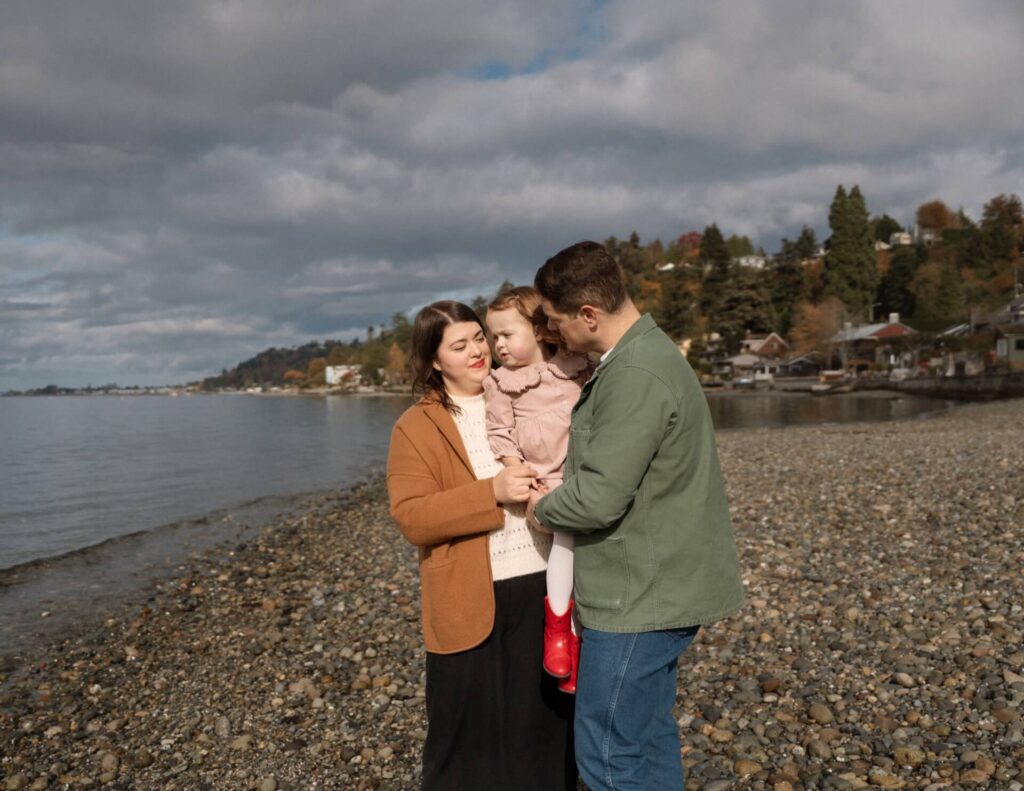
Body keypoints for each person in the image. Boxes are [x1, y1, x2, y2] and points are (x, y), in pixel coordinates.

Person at [531, 241, 745, 791]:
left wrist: (541, 509)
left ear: (588, 315)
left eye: (555, 322)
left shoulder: (634, 375)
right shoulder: (648, 356)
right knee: (647, 734)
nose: (553, 334)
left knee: (608, 753)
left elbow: (599, 497)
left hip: (640, 596)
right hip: (662, 584)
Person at [387, 300, 576, 791]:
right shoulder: (415, 426)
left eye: (479, 337)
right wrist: (490, 493)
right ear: (433, 360)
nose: (478, 351)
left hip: (543, 582)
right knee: (462, 738)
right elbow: (412, 516)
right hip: (466, 593)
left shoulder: (528, 390)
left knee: (544, 729)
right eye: (459, 344)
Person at [482, 286, 593, 694]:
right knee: (566, 535)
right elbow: (500, 431)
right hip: (547, 483)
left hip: (587, 474)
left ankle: (581, 640)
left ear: (540, 329)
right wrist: (518, 470)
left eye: (507, 334)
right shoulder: (501, 383)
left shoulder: (575, 366)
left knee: (592, 559)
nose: (498, 345)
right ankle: (559, 629)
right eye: (493, 337)